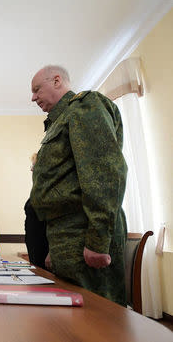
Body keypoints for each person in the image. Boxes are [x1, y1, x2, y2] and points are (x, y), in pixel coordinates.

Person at [29, 65, 127, 305]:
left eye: (36, 89)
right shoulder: (60, 120)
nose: (33, 98)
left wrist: (97, 241)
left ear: (56, 81)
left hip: (84, 232)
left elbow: (103, 173)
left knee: (97, 319)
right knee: (72, 321)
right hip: (66, 235)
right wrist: (55, 246)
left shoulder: (84, 107)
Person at [24, 153, 49, 269]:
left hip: (45, 249)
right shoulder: (37, 190)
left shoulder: (49, 191)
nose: (31, 169)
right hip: (34, 248)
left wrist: (52, 251)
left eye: (34, 166)